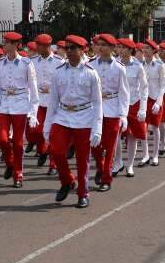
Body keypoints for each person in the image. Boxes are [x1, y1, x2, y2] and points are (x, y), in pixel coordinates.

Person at [43, 35, 103, 209]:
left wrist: (97, 128)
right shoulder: (59, 71)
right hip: (62, 116)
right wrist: (47, 126)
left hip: (84, 117)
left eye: (72, 48)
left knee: (82, 159)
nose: (68, 51)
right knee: (56, 151)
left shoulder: (91, 73)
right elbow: (53, 100)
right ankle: (67, 180)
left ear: (82, 50)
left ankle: (83, 193)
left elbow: (98, 103)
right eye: (66, 48)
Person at [0, 31, 39, 188]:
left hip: (20, 104)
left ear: (15, 45)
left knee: (18, 143)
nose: (4, 45)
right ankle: (10, 163)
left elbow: (33, 89)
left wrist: (33, 111)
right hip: (3, 104)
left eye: (7, 42)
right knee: (2, 139)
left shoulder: (26, 64)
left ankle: (18, 173)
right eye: (4, 42)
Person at [89, 34, 128, 192]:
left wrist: (123, 115)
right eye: (99, 44)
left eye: (104, 45)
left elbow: (124, 93)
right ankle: (100, 167)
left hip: (113, 109)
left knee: (110, 146)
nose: (101, 47)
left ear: (112, 48)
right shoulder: (90, 65)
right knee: (95, 146)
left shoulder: (119, 68)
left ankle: (107, 178)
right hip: (95, 110)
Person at [27, 34, 64, 175]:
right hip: (38, 101)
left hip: (53, 102)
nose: (36, 48)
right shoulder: (32, 61)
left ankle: (53, 164)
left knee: (53, 135)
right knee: (36, 130)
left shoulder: (59, 61)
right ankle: (43, 150)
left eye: (39, 45)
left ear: (47, 46)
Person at [112, 38, 147, 178]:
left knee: (132, 136)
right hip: (118, 103)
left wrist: (143, 108)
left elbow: (144, 88)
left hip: (134, 103)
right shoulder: (114, 64)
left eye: (123, 47)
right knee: (117, 134)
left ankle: (130, 164)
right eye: (119, 47)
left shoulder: (138, 66)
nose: (120, 50)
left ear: (130, 50)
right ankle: (118, 161)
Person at [139, 40, 165, 167]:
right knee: (142, 127)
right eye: (144, 48)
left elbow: (163, 85)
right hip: (142, 99)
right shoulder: (139, 65)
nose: (145, 50)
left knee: (155, 127)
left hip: (154, 98)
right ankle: (145, 154)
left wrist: (158, 102)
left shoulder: (160, 65)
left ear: (154, 50)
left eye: (148, 48)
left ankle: (155, 154)